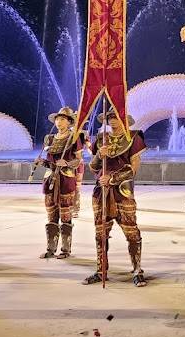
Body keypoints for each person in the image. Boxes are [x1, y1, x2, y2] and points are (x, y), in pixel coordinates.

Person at [84, 110, 148, 286]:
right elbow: (93, 167)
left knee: (131, 231)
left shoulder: (133, 137)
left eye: (116, 117)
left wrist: (112, 178)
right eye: (110, 118)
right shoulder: (102, 138)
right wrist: (99, 155)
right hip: (101, 190)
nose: (113, 121)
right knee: (100, 233)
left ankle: (137, 270)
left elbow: (134, 168)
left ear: (124, 119)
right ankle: (101, 270)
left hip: (122, 190)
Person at [38, 106, 85, 260]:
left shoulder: (74, 138)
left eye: (63, 119)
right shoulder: (49, 139)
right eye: (58, 119)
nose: (59, 122)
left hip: (66, 180)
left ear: (69, 122)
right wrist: (42, 162)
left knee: (65, 215)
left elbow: (78, 160)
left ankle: (65, 250)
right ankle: (50, 249)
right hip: (50, 179)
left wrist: (67, 163)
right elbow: (50, 162)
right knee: (51, 214)